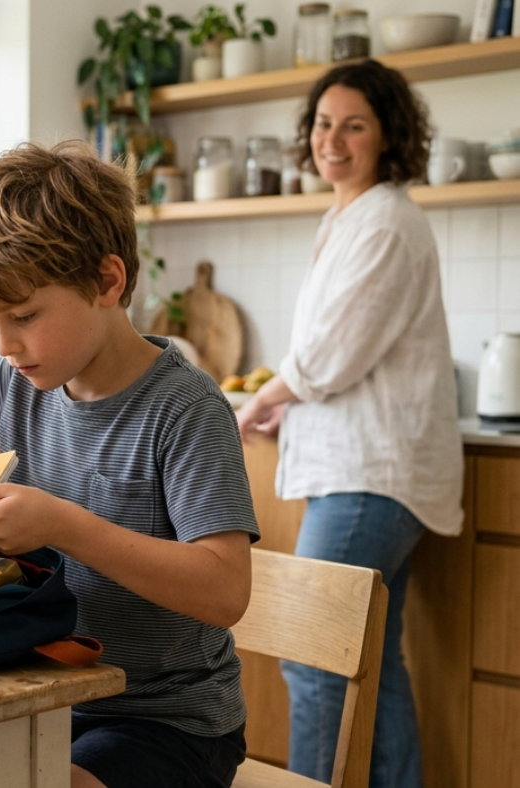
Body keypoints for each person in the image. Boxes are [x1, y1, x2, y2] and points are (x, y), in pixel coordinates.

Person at [0, 140, 259, 788]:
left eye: (22, 315)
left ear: (107, 281)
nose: (5, 343)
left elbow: (224, 590)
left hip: (167, 723)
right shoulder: (12, 379)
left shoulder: (186, 408)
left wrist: (63, 525)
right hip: (46, 697)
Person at [235, 60, 461, 788]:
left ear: (388, 135)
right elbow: (334, 357)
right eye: (323, 123)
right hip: (363, 473)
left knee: (312, 653)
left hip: (369, 481)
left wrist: (264, 396)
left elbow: (330, 354)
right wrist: (283, 404)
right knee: (371, 665)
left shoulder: (387, 221)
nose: (332, 139)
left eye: (353, 124)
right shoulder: (353, 216)